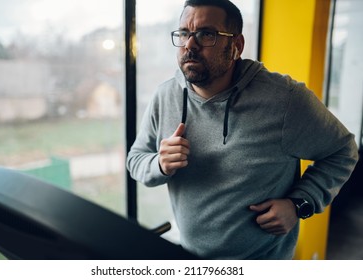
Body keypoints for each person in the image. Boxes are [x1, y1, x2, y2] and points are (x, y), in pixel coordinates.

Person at [126, 0, 359, 259]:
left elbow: (343, 151)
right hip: (191, 257)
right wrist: (159, 164)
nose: (190, 45)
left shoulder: (285, 100)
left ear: (236, 46)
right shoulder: (165, 96)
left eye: (206, 34)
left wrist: (299, 204)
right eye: (184, 33)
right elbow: (136, 160)